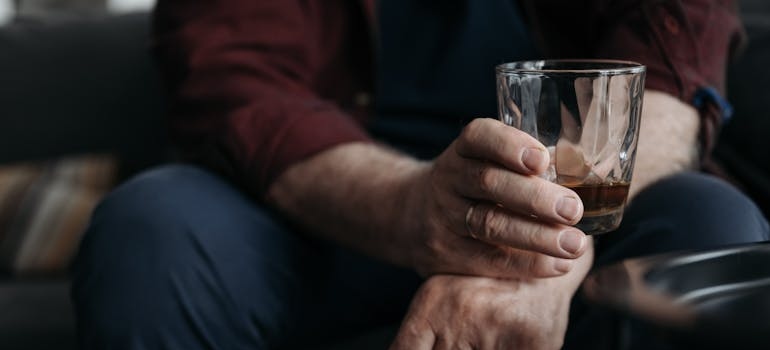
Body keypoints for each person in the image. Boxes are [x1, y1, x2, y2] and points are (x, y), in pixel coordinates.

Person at [72, 1, 769, 349]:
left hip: (581, 221)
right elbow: (234, 80)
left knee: (713, 237)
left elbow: (675, 66)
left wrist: (535, 255)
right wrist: (420, 215)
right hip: (333, 220)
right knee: (149, 235)